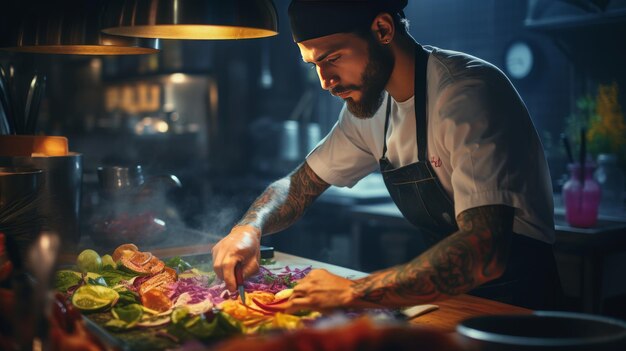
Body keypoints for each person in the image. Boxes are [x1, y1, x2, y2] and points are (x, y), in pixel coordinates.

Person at [212, 0, 560, 311]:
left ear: (382, 29)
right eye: (314, 65)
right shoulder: (371, 108)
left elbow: (485, 251)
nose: (325, 81)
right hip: (450, 301)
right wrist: (248, 228)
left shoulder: (466, 94)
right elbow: (300, 185)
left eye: (332, 59)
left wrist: (352, 291)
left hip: (519, 311)